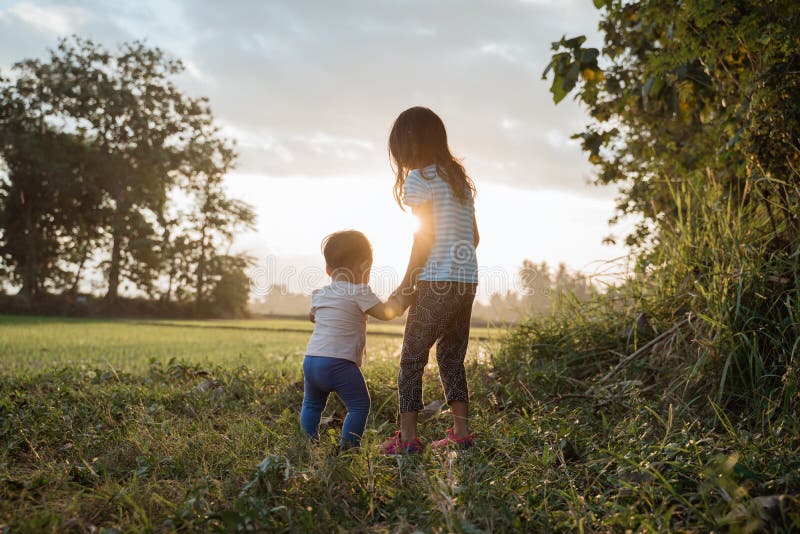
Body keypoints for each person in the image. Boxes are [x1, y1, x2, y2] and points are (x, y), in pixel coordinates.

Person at [381, 106, 480, 454]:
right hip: (467, 280)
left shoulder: (420, 179)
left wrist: (406, 286)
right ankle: (461, 434)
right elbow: (475, 237)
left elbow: (422, 237)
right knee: (451, 357)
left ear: (407, 144)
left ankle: (408, 439)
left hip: (436, 281)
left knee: (412, 358)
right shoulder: (458, 181)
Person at [300, 230, 402, 447]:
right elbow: (386, 313)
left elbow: (313, 317)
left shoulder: (319, 294)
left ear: (328, 270)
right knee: (358, 406)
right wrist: (403, 298)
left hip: (312, 360)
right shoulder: (360, 292)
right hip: (339, 363)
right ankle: (347, 447)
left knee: (311, 405)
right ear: (365, 266)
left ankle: (307, 444)